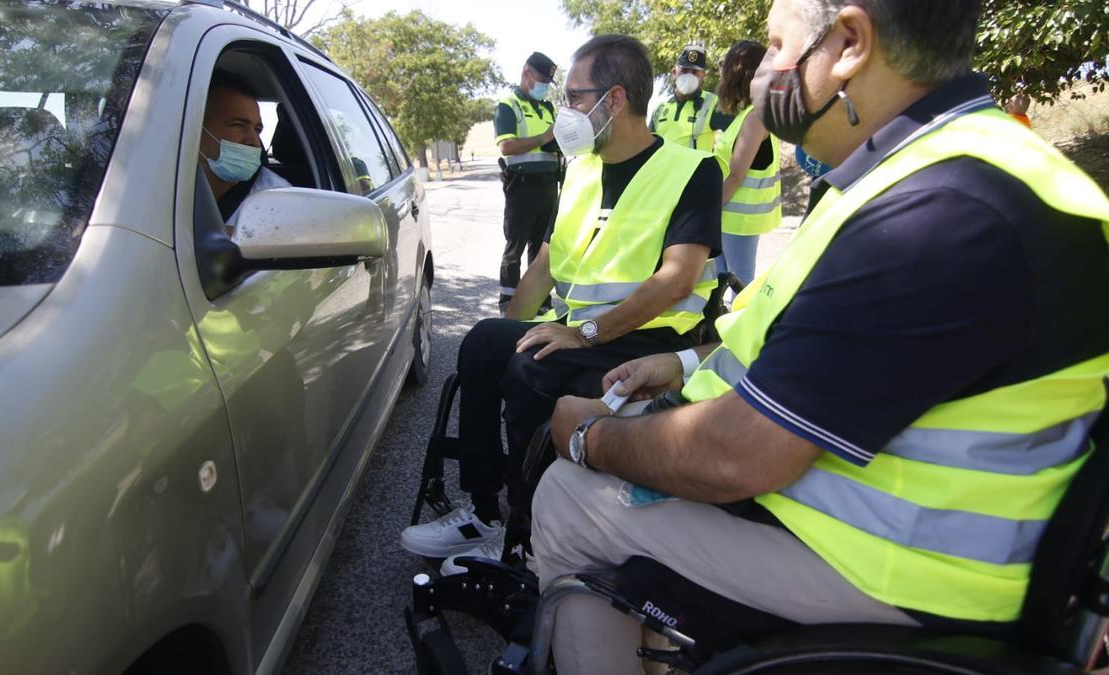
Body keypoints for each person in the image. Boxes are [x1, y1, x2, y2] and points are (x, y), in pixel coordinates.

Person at [532, 1, 1109, 673]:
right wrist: (688, 362)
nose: (759, 74)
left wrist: (585, 435)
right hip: (892, 542)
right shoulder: (947, 170)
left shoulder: (940, 210)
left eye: (778, 48)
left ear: (851, 44)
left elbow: (736, 457)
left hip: (902, 575)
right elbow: (811, 342)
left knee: (567, 497)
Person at [400, 35, 724, 575]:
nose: (565, 110)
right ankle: (484, 510)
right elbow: (547, 263)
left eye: (574, 97)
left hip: (647, 340)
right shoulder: (581, 170)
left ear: (614, 100)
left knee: (532, 367)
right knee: (483, 343)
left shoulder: (693, 170)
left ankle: (526, 539)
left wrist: (585, 333)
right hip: (579, 331)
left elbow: (676, 280)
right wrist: (507, 330)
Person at [494, 51, 562, 312]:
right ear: (526, 74)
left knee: (541, 250)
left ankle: (539, 305)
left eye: (548, 81)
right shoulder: (508, 105)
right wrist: (543, 138)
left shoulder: (547, 107)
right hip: (521, 186)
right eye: (542, 79)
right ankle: (508, 304)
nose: (545, 85)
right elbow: (507, 146)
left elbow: (553, 140)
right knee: (515, 249)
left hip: (548, 185)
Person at [713, 40, 783, 286]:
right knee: (719, 285)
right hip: (730, 218)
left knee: (740, 286)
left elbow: (736, 175)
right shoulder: (750, 115)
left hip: (736, 220)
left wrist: (706, 211)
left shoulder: (755, 118)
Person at [198, 70, 289, 232]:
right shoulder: (159, 183)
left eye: (257, 129)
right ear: (197, 128)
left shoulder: (275, 198)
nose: (254, 142)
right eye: (238, 125)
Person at [648, 43, 735, 151]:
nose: (689, 76)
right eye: (684, 71)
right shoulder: (660, 108)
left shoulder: (713, 104)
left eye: (694, 73)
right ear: (674, 73)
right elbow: (648, 147)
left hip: (698, 168)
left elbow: (738, 137)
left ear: (703, 76)